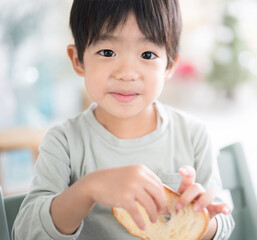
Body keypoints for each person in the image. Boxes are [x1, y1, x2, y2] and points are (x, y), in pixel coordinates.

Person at [13, 0, 235, 239]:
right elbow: (26, 232)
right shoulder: (63, 142)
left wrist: (198, 219)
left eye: (147, 54)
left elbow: (222, 225)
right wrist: (88, 189)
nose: (127, 73)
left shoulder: (193, 134)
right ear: (78, 60)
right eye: (107, 52)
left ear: (169, 65)